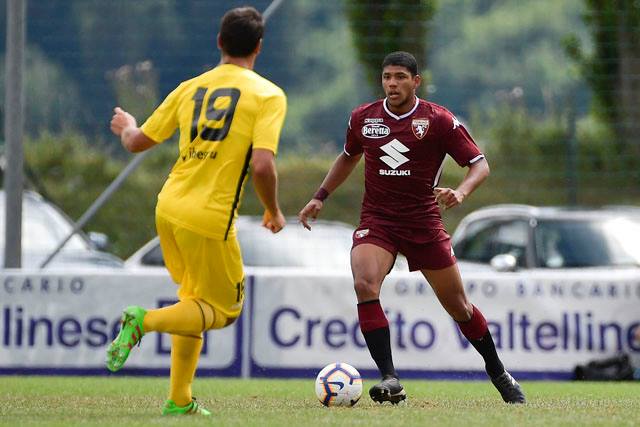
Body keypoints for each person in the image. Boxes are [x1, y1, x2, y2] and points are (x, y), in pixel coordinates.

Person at [298, 51, 525, 405]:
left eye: (400, 77)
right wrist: (320, 196)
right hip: (378, 221)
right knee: (363, 282)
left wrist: (461, 192)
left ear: (415, 81)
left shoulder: (438, 120)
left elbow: (479, 164)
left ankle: (498, 372)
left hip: (423, 223)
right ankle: (391, 379)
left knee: (460, 308)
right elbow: (348, 156)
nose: (392, 83)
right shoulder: (363, 118)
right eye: (387, 76)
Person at [106, 6, 287, 416]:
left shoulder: (191, 87)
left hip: (168, 207)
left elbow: (137, 141)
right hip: (209, 216)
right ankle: (142, 322)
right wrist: (274, 211)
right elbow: (262, 163)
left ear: (219, 42)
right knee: (223, 310)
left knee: (192, 303)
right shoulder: (267, 95)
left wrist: (128, 125)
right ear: (259, 47)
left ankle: (179, 399)